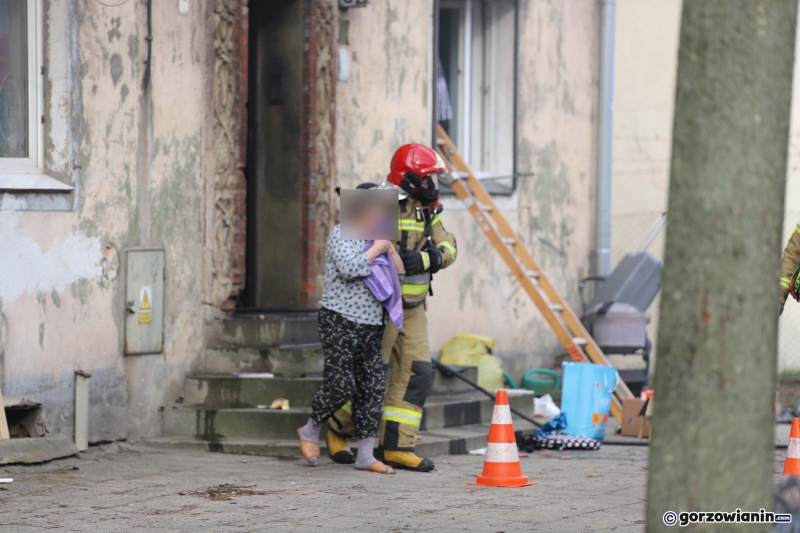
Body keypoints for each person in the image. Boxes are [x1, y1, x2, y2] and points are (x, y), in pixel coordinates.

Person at [326, 144, 458, 472]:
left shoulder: (428, 210)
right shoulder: (372, 202)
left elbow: (449, 245)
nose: (433, 187)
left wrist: (430, 258)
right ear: (411, 178)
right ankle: (337, 429)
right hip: (378, 307)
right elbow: (351, 257)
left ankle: (397, 445)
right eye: (428, 179)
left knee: (417, 374)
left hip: (412, 308)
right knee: (366, 376)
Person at [296, 198, 402, 474]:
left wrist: (387, 246)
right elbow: (350, 268)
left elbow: (398, 272)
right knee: (341, 385)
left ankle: (365, 456)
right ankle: (309, 431)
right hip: (340, 319)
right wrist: (378, 248)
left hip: (372, 324)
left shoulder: (378, 238)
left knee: (373, 389)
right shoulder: (342, 233)